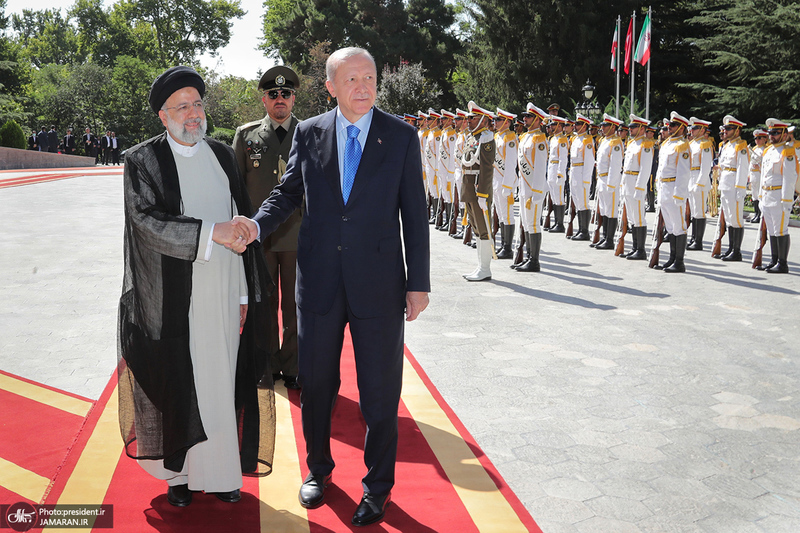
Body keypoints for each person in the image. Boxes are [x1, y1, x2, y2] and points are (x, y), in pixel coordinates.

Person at [242, 47, 430, 526]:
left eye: (369, 77)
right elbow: (287, 192)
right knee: (318, 385)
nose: (364, 86)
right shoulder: (310, 133)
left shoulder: (401, 136)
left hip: (380, 287)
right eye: (352, 79)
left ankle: (378, 486)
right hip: (320, 284)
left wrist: (419, 283)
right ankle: (318, 470)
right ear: (330, 86)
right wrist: (255, 227)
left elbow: (416, 213)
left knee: (379, 393)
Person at [117, 65, 275, 508]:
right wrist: (211, 233)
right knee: (179, 379)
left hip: (224, 290)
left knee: (220, 379)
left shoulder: (223, 154)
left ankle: (223, 473)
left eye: (198, 104)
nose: (193, 114)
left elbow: (239, 216)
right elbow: (146, 224)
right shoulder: (142, 161)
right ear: (163, 116)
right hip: (173, 296)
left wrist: (245, 292)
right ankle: (179, 474)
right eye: (182, 106)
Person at [233, 65, 302, 391]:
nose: (280, 99)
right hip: (258, 238)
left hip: (297, 236)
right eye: (273, 94)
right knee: (263, 304)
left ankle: (293, 365)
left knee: (294, 304)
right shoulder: (246, 136)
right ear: (264, 99)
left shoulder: (309, 133)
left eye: (285, 94)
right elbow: (235, 187)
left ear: (293, 98)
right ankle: (266, 365)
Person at [461, 102, 496, 280]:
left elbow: (487, 168)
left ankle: (485, 269)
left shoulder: (486, 138)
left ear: (482, 120)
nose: (468, 121)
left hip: (478, 190)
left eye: (472, 118)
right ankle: (480, 267)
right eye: (468, 118)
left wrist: (483, 194)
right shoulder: (472, 138)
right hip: (469, 187)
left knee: (483, 229)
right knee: (475, 228)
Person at [653, 111, 692, 272]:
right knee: (670, 226)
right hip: (664, 188)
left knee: (678, 226)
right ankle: (671, 258)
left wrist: (679, 194)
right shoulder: (666, 144)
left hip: (674, 188)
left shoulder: (682, 146)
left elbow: (684, 173)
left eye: (674, 125)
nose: (670, 127)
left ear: (682, 128)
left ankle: (679, 261)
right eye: (670, 124)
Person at [512, 102, 548, 271]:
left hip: (534, 188)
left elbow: (540, 169)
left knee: (533, 224)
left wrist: (538, 192)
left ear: (537, 120)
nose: (524, 119)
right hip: (524, 187)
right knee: (526, 223)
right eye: (525, 116)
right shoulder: (525, 137)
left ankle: (534, 261)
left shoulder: (539, 139)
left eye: (528, 117)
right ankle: (528, 257)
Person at [758, 118, 797, 273]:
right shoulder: (768, 151)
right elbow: (763, 176)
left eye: (775, 132)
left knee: (781, 230)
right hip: (767, 195)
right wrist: (760, 196)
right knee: (772, 231)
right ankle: (774, 260)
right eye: (770, 133)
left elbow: (790, 177)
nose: (772, 135)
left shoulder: (788, 151)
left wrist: (787, 200)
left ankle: (783, 263)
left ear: (784, 134)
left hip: (779, 196)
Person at [619, 114, 655, 260]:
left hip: (636, 183)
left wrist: (640, 189)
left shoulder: (645, 145)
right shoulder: (632, 143)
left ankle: (641, 250)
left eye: (633, 127)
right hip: (628, 182)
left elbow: (645, 169)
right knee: (633, 218)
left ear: (641, 128)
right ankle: (634, 248)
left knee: (639, 217)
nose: (630, 129)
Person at [714, 115, 749, 261]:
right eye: (725, 128)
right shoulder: (727, 146)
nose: (725, 131)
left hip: (735, 185)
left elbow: (742, 169)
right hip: (725, 184)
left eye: (729, 128)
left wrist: (741, 189)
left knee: (736, 219)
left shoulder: (741, 146)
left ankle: (737, 251)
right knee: (728, 219)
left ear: (737, 130)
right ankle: (730, 248)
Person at [593, 113, 624, 250]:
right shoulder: (604, 140)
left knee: (611, 211)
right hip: (602, 178)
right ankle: (605, 237)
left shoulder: (615, 143)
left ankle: (610, 240)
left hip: (609, 180)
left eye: (605, 125)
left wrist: (611, 184)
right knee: (604, 210)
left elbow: (615, 165)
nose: (602, 127)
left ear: (613, 127)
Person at [493, 107, 518, 258]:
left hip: (504, 182)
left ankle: (508, 248)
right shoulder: (498, 136)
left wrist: (508, 186)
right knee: (501, 215)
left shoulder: (510, 138)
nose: (495, 122)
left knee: (507, 215)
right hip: (496, 181)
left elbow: (510, 164)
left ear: (507, 122)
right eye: (496, 120)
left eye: (498, 120)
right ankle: (503, 244)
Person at [687, 117, 714, 250]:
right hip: (691, 177)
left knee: (699, 211)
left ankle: (698, 241)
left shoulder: (705, 144)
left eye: (695, 128)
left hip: (699, 178)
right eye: (692, 128)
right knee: (693, 211)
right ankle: (693, 238)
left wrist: (700, 183)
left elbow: (706, 167)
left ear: (702, 130)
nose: (692, 130)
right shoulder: (692, 144)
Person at [568, 113, 595, 241]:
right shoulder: (576, 139)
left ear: (584, 126)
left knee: (583, 203)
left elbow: (589, 162)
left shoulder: (587, 141)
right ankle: (580, 229)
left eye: (578, 124)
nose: (575, 126)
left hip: (581, 173)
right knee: (577, 202)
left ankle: (585, 231)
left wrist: (586, 180)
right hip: (574, 172)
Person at [545, 115, 569, 232]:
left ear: (560, 126)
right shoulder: (553, 138)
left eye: (554, 124)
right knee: (554, 197)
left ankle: (560, 224)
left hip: (557, 169)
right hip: (551, 168)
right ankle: (556, 223)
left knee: (559, 198)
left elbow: (563, 159)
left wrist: (560, 174)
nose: (551, 127)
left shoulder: (562, 140)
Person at [748, 129, 768, 224]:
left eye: (759, 138)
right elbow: (750, 162)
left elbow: (767, 164)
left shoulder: (766, 149)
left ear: (765, 139)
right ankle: (756, 213)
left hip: (760, 174)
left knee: (760, 195)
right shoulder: (755, 149)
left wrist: (759, 166)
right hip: (753, 174)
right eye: (756, 138)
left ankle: (760, 215)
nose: (757, 140)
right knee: (754, 195)